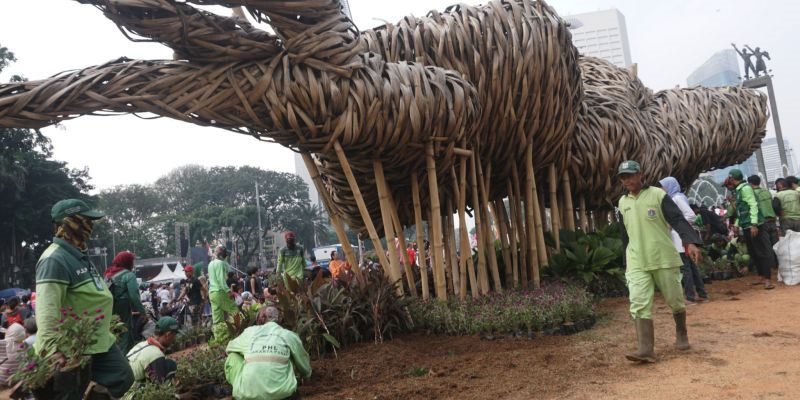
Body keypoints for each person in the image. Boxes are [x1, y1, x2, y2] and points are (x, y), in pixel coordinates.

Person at [34, 198, 133, 398]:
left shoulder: (79, 254)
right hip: (73, 345)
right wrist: (52, 350)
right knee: (72, 393)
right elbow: (46, 309)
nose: (90, 226)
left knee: (122, 376)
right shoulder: (54, 259)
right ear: (70, 223)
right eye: (85, 220)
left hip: (97, 341)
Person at [616, 161, 702, 363]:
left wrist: (690, 242)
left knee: (675, 301)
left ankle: (681, 334)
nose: (627, 180)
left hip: (663, 257)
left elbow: (678, 219)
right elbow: (624, 235)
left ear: (640, 174)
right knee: (638, 303)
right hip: (636, 260)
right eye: (623, 177)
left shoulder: (658, 195)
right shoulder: (622, 203)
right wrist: (625, 258)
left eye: (630, 175)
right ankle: (646, 350)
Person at [225, 306, 311, 400]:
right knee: (288, 358)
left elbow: (229, 348)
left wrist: (251, 354)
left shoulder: (250, 332)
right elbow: (303, 360)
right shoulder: (288, 335)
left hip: (247, 395)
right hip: (282, 394)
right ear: (279, 319)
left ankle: (243, 388)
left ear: (262, 318)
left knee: (232, 357)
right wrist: (306, 375)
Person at [659, 177, 708, 304]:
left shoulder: (676, 198)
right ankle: (701, 293)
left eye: (663, 186)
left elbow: (691, 215)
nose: (662, 189)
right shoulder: (675, 197)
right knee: (691, 267)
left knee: (685, 268)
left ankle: (690, 296)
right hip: (681, 238)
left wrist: (673, 224)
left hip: (681, 239)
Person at [725, 170, 775, 290]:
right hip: (746, 226)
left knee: (761, 252)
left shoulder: (745, 189)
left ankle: (767, 279)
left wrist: (754, 224)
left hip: (755, 226)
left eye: (729, 179)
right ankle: (762, 277)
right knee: (754, 253)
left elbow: (753, 205)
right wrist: (737, 224)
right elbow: (741, 211)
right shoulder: (738, 191)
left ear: (732, 179)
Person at [123, 317, 179, 399]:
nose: (174, 339)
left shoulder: (142, 344)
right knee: (170, 365)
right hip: (130, 396)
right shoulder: (156, 355)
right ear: (168, 335)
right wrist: (179, 397)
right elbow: (160, 391)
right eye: (174, 336)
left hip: (121, 391)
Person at [104, 251, 147, 353]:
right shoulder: (129, 275)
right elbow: (134, 296)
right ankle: (126, 358)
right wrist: (143, 312)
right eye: (132, 261)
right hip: (122, 306)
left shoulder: (108, 274)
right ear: (128, 262)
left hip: (108, 307)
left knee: (114, 332)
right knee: (125, 331)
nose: (133, 264)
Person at [208, 245, 239, 344]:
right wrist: (228, 291)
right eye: (225, 254)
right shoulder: (220, 263)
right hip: (220, 291)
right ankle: (238, 333)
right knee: (235, 310)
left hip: (212, 293)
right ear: (223, 254)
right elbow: (221, 279)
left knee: (217, 318)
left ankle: (219, 340)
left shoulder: (210, 264)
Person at [748, 175, 779, 246]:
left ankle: (771, 257)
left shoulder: (752, 194)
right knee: (776, 243)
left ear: (750, 183)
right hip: (772, 220)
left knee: (766, 245)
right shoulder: (767, 192)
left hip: (762, 222)